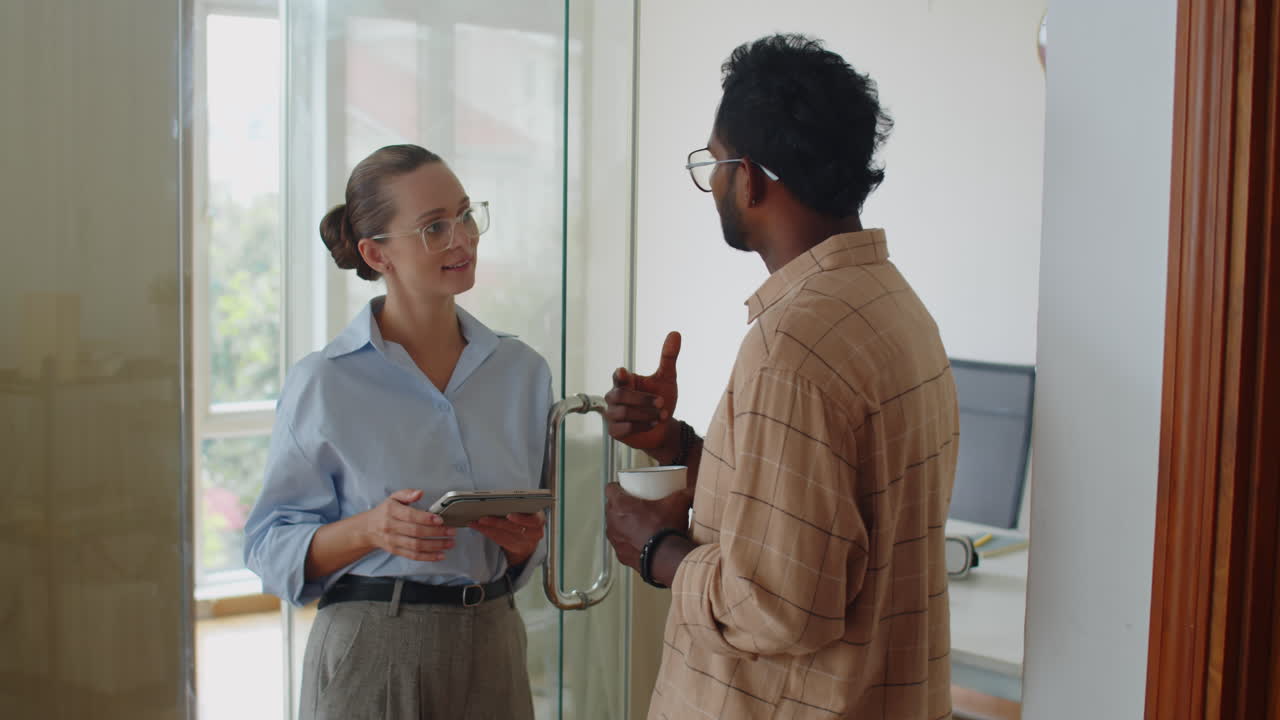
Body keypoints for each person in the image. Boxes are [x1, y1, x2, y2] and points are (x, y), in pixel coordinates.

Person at [603, 35, 960, 719]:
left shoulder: (793, 349)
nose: (712, 183)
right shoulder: (893, 306)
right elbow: (822, 517)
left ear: (752, 178)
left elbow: (780, 608)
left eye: (713, 162)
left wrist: (653, 548)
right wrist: (680, 448)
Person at [244, 144, 550, 720]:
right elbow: (267, 547)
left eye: (465, 215)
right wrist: (370, 529)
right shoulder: (326, 381)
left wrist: (524, 546)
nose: (461, 238)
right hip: (374, 645)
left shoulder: (524, 373)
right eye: (434, 227)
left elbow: (533, 538)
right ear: (376, 253)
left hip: (495, 641)